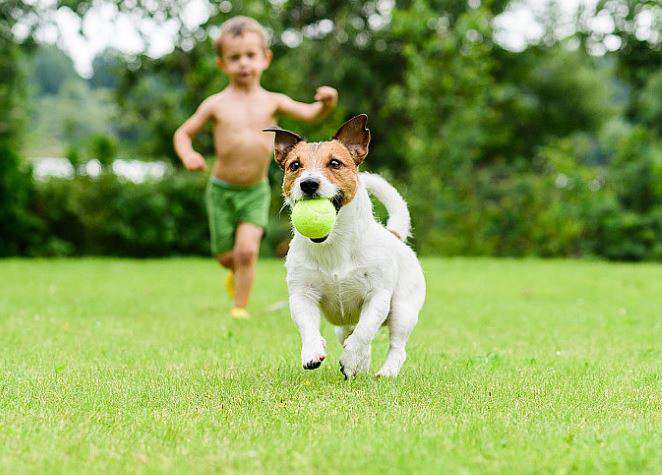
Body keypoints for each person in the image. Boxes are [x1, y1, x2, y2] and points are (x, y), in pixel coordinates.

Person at [173, 16, 338, 319]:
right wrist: (189, 155)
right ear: (222, 64)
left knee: (247, 251)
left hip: (255, 191)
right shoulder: (216, 104)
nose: (243, 64)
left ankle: (239, 308)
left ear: (265, 59)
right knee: (227, 256)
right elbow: (183, 133)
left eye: (250, 55)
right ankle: (231, 270)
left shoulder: (272, 101)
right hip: (221, 190)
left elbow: (310, 113)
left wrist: (327, 103)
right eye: (234, 58)